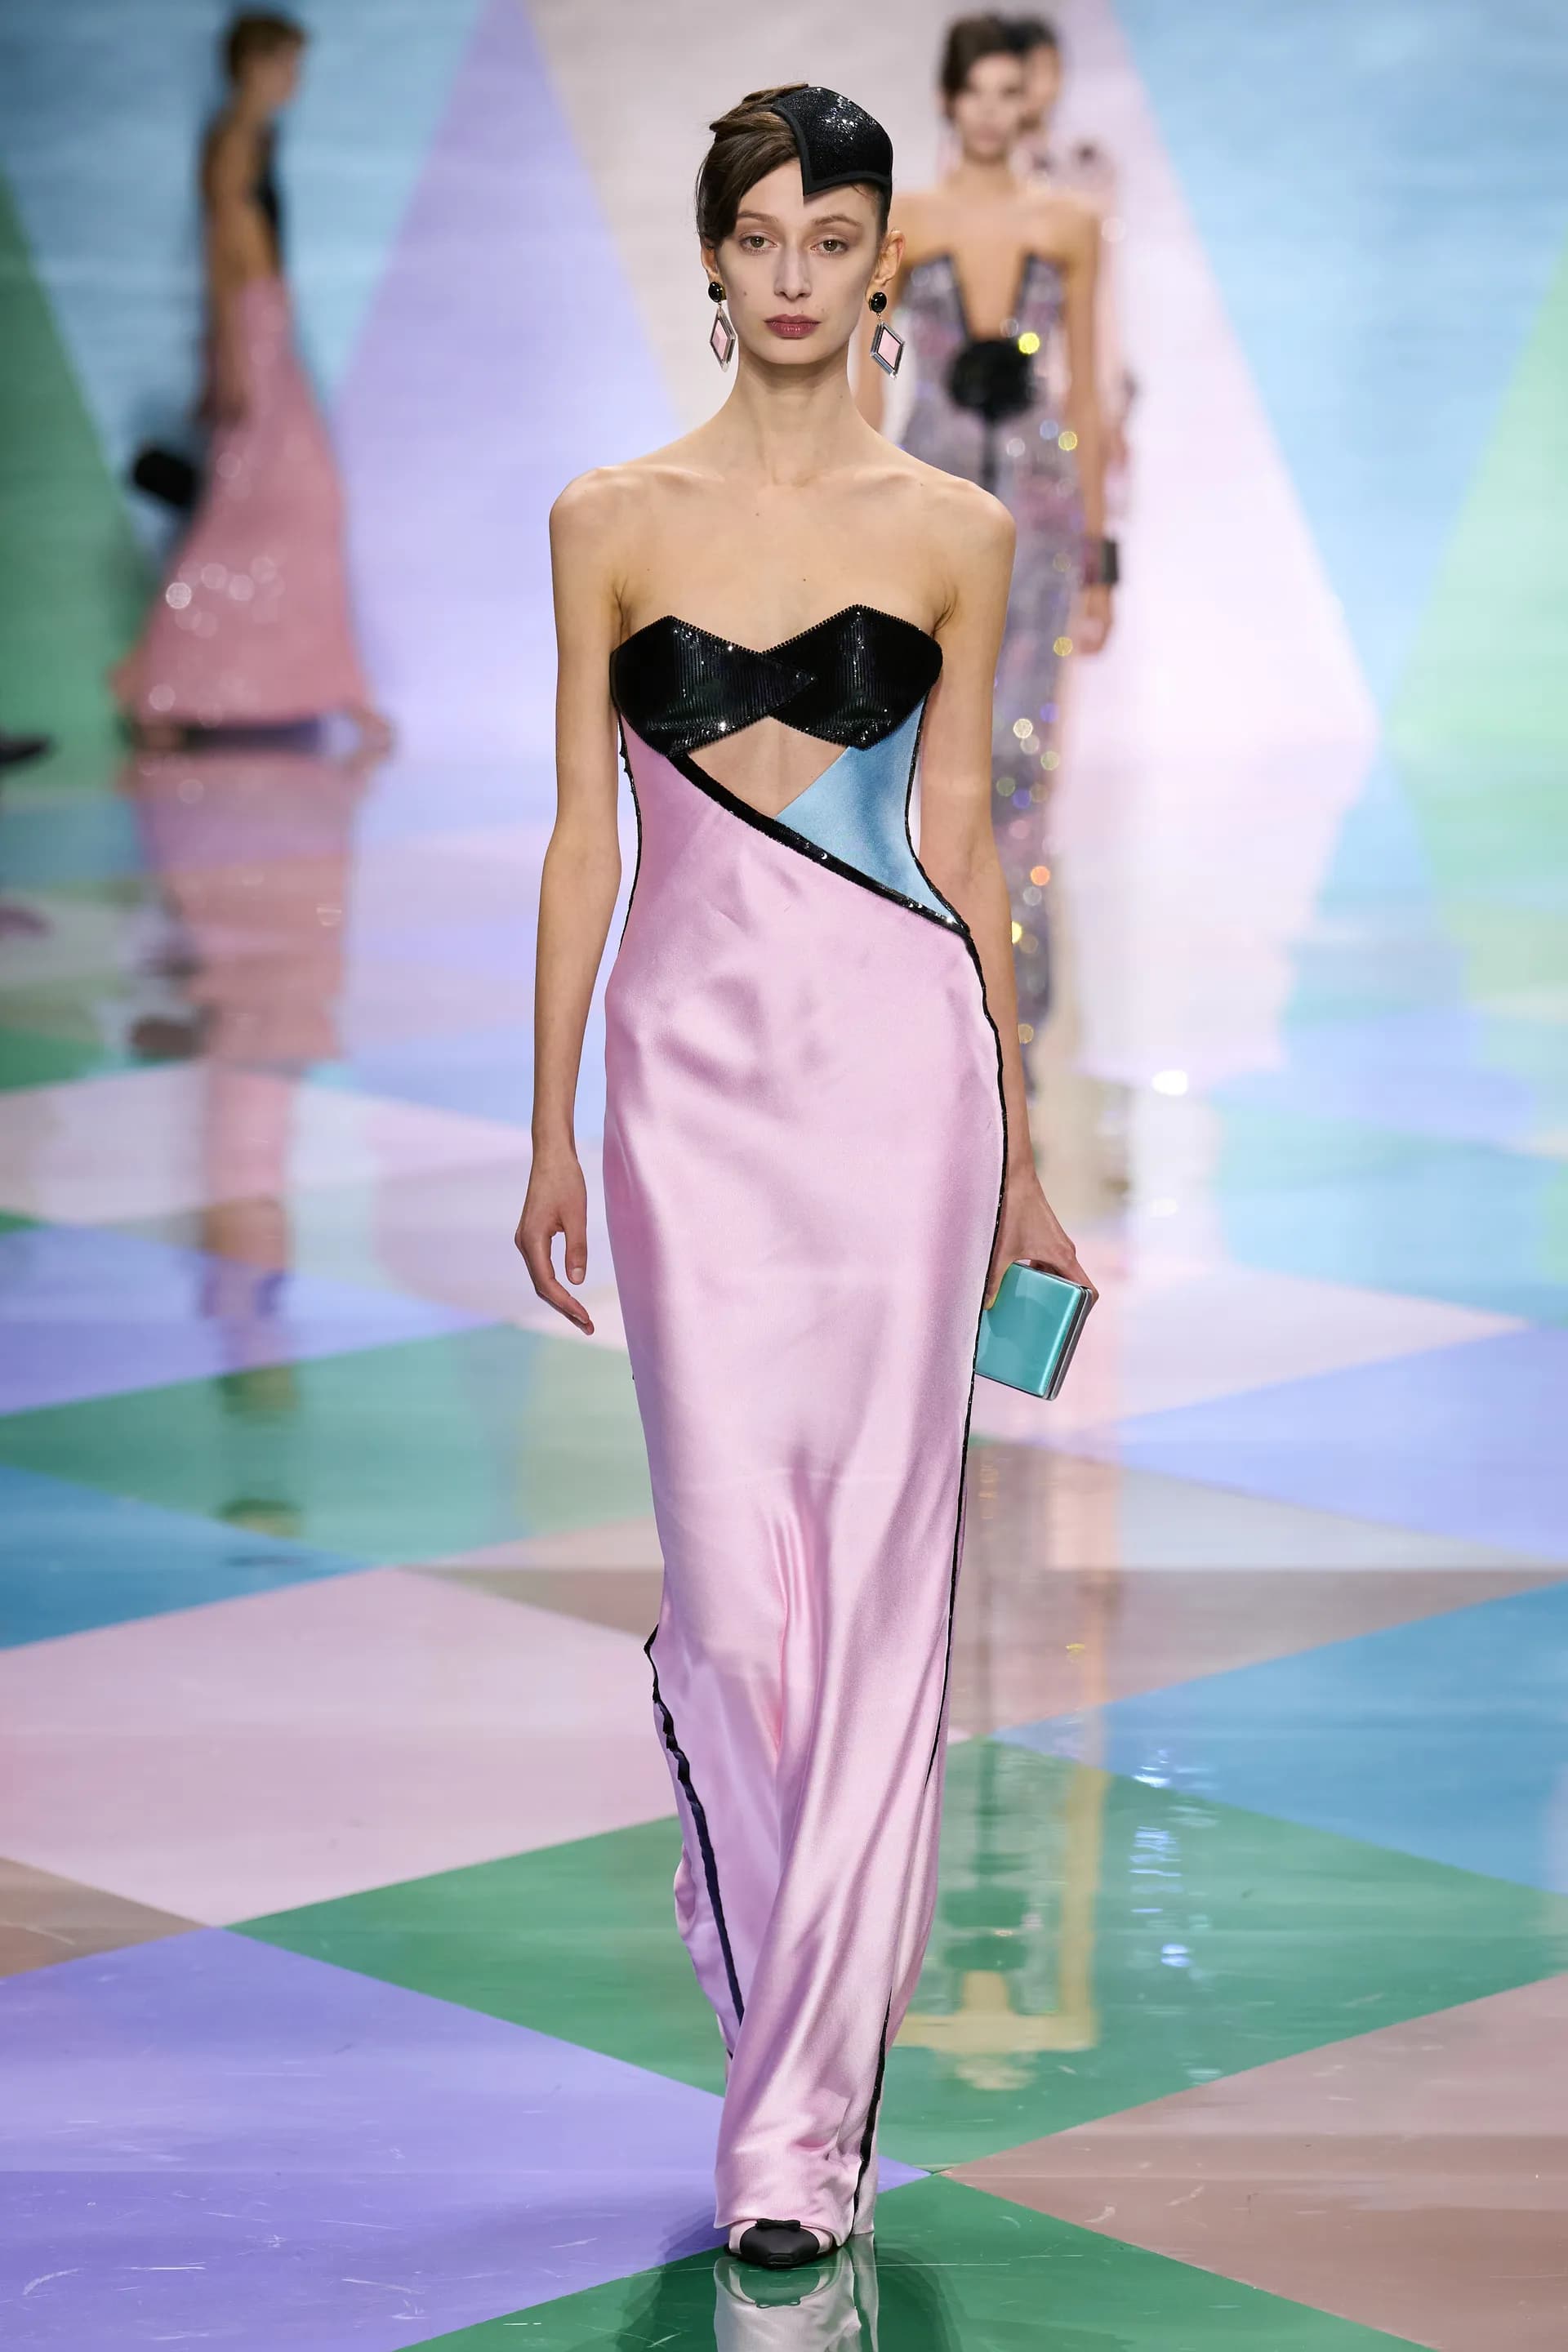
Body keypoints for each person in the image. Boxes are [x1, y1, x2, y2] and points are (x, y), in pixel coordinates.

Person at [514, 83, 1093, 2272]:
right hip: (682, 1100)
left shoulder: (955, 528)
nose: (792, 273)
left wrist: (1022, 1154)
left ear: (876, 267)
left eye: (831, 238)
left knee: (877, 1603)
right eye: (758, 235)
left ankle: (795, 2130)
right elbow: (585, 835)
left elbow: (967, 856)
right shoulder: (606, 518)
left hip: (897, 1091)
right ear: (711, 257)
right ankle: (783, 2002)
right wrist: (547, 1120)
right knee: (734, 1608)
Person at [859, 16, 1114, 1037]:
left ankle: (1013, 1009)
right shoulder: (903, 223)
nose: (997, 113)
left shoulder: (1070, 224)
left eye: (1014, 93)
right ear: (948, 99)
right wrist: (850, 501)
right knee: (920, 752)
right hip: (924, 513)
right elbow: (866, 366)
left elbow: (1085, 392)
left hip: (1041, 523)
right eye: (980, 93)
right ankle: (930, 992)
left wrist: (1100, 559)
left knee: (1020, 754)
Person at [111, 12, 386, 746]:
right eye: (285, 64)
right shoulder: (235, 139)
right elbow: (222, 245)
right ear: (253, 64)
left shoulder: (253, 137)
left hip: (263, 326)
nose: (294, 79)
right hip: (254, 332)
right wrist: (233, 352)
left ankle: (166, 682)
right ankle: (153, 680)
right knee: (257, 508)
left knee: (271, 506)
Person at [1008, 15, 1134, 480]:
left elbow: (1104, 294)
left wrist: (1109, 398)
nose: (1043, 84)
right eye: (1030, 70)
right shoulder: (978, 168)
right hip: (1006, 379)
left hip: (1080, 372)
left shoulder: (1088, 167)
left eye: (1052, 69)